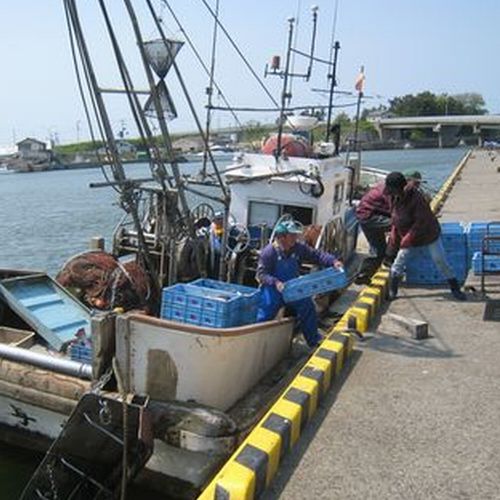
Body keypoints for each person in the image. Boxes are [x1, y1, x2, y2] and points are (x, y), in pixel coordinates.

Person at [256, 219, 343, 347]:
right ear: (281, 237)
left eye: (295, 235)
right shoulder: (269, 252)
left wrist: (333, 261)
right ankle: (256, 340)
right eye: (292, 235)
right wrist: (275, 282)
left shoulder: (297, 248)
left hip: (293, 289)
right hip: (273, 290)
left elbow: (316, 255)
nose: (295, 238)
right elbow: (261, 275)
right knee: (264, 315)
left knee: (307, 307)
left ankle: (313, 340)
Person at [383, 171, 466, 301]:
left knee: (439, 260)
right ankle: (393, 290)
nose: (390, 193)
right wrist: (394, 234)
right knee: (399, 261)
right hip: (407, 234)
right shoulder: (393, 197)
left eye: (392, 190)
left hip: (428, 234)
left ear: (400, 188)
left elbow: (421, 222)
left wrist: (408, 238)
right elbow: (395, 217)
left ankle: (455, 287)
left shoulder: (416, 198)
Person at [355, 181, 392, 266]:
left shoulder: (384, 187)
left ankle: (366, 270)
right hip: (369, 217)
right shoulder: (387, 192)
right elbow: (395, 210)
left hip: (366, 216)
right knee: (398, 224)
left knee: (379, 251)